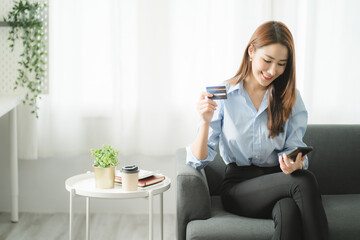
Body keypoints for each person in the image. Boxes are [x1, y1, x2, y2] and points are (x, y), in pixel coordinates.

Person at [186, 21, 329, 240]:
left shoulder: (290, 97)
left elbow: (294, 147)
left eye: (282, 64)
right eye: (268, 60)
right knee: (305, 180)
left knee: (289, 209)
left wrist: (297, 162)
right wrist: (205, 122)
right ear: (251, 51)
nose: (273, 71)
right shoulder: (223, 94)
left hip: (280, 181)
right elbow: (198, 161)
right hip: (239, 187)